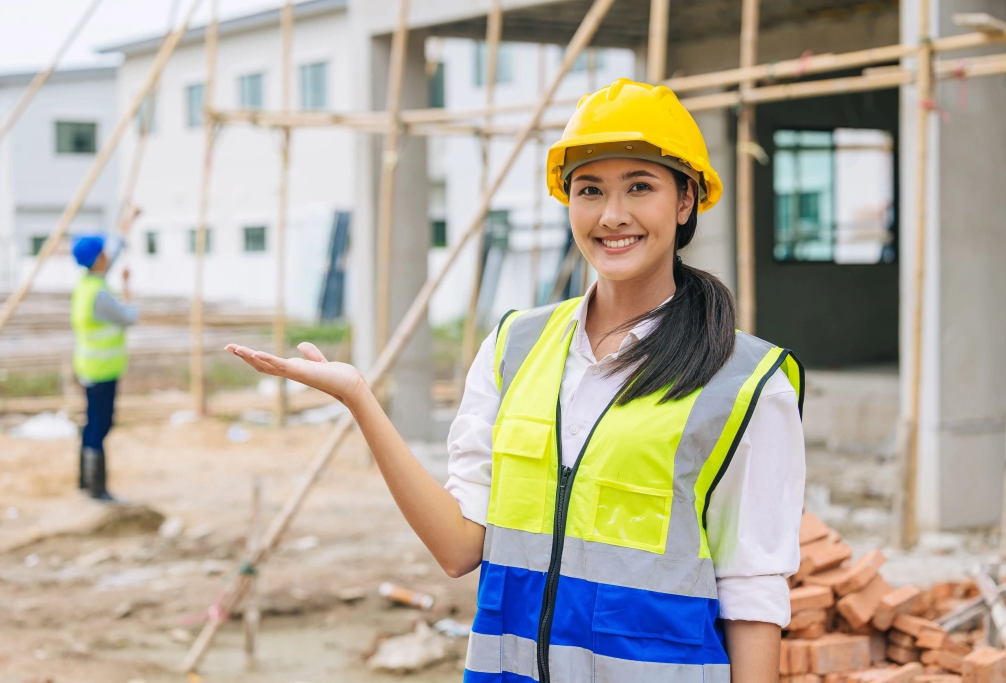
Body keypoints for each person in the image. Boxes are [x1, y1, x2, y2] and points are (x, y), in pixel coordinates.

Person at [226, 78, 806, 683]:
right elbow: (458, 549)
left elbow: (752, 592)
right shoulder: (514, 348)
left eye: (640, 186)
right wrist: (360, 400)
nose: (612, 215)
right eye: (590, 190)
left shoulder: (746, 382)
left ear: (685, 200)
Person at [71, 233, 137, 502]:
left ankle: (84, 481)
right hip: (103, 369)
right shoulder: (99, 293)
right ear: (99, 258)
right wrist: (127, 288)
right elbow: (129, 317)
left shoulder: (85, 285)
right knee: (101, 424)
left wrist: (124, 230)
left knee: (92, 424)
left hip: (88, 367)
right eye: (104, 252)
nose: (107, 256)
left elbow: (106, 265)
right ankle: (97, 488)